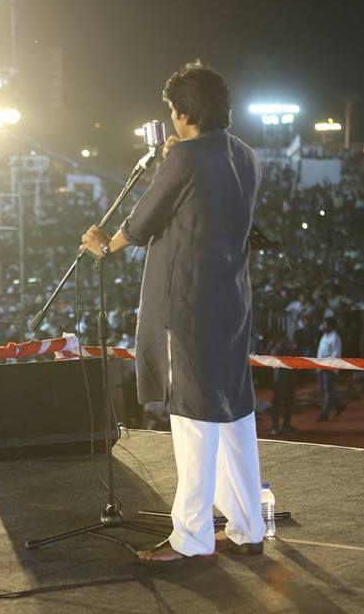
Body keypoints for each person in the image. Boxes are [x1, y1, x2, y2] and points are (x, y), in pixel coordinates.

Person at [80, 62, 265, 561]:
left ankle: (192, 538)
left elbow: (140, 224)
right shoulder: (246, 156)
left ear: (184, 113)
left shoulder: (184, 159)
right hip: (232, 302)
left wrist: (103, 245)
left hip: (187, 305)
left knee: (194, 420)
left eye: (172, 111)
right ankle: (248, 528)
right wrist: (178, 155)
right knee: (235, 417)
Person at [316, 318, 345, 421]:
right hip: (321, 365)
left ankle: (324, 413)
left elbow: (336, 354)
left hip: (329, 367)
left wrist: (329, 365)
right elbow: (320, 351)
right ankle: (339, 405)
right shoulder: (324, 336)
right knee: (323, 389)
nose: (323, 326)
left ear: (330, 326)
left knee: (328, 390)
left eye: (325, 324)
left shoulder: (335, 337)